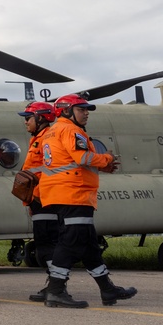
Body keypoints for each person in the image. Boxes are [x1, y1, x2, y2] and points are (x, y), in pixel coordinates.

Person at [39, 94, 137, 308]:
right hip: (73, 193)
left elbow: (71, 161)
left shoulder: (52, 131)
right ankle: (55, 291)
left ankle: (107, 290)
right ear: (66, 111)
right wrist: (107, 159)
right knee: (70, 241)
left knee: (89, 244)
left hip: (62, 193)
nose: (86, 114)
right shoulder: (71, 130)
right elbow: (82, 158)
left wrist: (101, 166)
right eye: (81, 109)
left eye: (87, 110)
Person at [18, 101, 61, 302]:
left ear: (41, 118)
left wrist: (36, 198)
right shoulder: (37, 139)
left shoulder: (47, 139)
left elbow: (49, 170)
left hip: (45, 199)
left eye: (28, 118)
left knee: (46, 245)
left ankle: (57, 287)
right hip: (38, 199)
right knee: (44, 244)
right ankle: (54, 286)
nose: (25, 122)